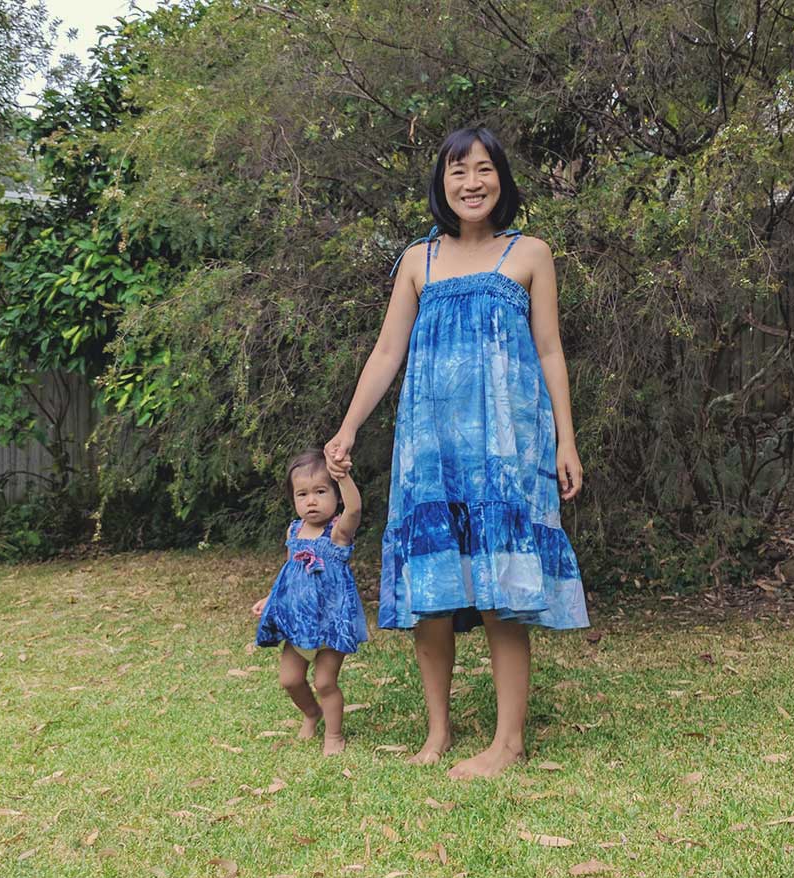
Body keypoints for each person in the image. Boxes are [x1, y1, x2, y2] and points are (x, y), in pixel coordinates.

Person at [324, 126, 588, 779]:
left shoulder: (530, 254)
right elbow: (388, 352)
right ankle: (437, 734)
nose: (471, 182)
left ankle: (508, 742)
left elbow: (551, 351)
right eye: (457, 172)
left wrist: (566, 439)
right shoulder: (420, 260)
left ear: (501, 178)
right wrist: (349, 426)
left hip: (506, 449)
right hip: (431, 450)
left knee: (503, 592)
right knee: (434, 593)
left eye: (483, 170)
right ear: (442, 185)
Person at [251, 449, 367, 756]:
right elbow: (289, 572)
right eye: (302, 494)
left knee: (325, 682)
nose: (311, 501)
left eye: (320, 491)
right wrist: (271, 597)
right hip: (298, 624)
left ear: (335, 495)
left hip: (330, 624)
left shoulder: (338, 531)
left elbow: (355, 509)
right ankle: (311, 713)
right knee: (289, 679)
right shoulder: (294, 530)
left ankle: (334, 735)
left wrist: (342, 475)